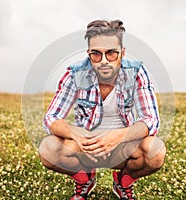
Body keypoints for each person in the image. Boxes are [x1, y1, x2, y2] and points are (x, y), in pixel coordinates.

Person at [39, 19, 166, 200]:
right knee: (48, 148)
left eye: (111, 54)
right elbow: (51, 117)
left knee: (156, 151)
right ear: (89, 53)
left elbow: (151, 119)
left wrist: (118, 136)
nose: (104, 61)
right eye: (96, 54)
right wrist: (76, 134)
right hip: (86, 146)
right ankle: (85, 178)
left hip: (122, 147)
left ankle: (123, 182)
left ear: (122, 52)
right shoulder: (75, 73)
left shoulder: (137, 72)